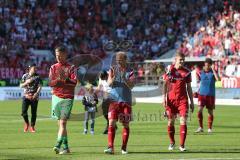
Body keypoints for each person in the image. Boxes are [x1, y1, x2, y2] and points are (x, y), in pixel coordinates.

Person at [104, 51, 135, 155]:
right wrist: (112, 78)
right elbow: (108, 83)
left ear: (125, 60)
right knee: (111, 122)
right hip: (114, 101)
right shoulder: (113, 69)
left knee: (125, 124)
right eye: (117, 61)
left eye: (121, 61)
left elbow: (131, 85)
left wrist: (124, 78)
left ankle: (124, 147)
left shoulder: (130, 71)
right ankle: (110, 147)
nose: (119, 63)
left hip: (126, 102)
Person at [163, 52, 194, 152]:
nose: (182, 61)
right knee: (170, 122)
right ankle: (172, 142)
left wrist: (192, 101)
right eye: (180, 60)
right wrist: (164, 98)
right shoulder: (169, 70)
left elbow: (189, 88)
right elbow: (165, 84)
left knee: (183, 121)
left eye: (183, 60)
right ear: (175, 60)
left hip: (182, 100)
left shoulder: (187, 72)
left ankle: (182, 145)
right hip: (171, 100)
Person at [49, 45, 77, 155]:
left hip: (67, 97)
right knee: (60, 124)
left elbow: (75, 82)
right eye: (57, 56)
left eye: (60, 55)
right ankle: (66, 148)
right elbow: (50, 83)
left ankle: (58, 144)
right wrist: (58, 80)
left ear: (65, 55)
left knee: (63, 122)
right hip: (56, 97)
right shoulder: (53, 67)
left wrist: (66, 79)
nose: (58, 58)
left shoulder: (71, 68)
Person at [195, 58, 220, 133]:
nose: (206, 66)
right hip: (201, 95)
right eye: (205, 65)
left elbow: (218, 79)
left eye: (208, 65)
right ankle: (200, 127)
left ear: (210, 65)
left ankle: (209, 128)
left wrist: (214, 70)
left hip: (210, 95)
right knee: (199, 110)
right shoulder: (201, 72)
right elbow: (197, 78)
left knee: (210, 112)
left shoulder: (213, 73)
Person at [20, 64, 42, 133]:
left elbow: (40, 86)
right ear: (30, 69)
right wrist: (26, 82)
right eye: (34, 68)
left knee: (33, 113)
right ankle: (27, 123)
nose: (35, 69)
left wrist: (36, 93)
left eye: (36, 68)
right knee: (23, 112)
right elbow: (21, 86)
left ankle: (32, 126)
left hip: (34, 97)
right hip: (26, 96)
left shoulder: (37, 77)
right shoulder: (25, 76)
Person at [96, 70, 113, 134]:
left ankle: (109, 126)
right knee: (104, 111)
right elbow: (99, 87)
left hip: (113, 95)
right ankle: (110, 124)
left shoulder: (111, 75)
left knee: (111, 112)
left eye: (104, 78)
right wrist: (94, 94)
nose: (103, 80)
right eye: (102, 78)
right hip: (105, 96)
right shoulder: (101, 78)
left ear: (107, 75)